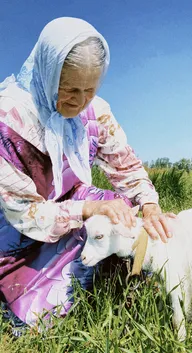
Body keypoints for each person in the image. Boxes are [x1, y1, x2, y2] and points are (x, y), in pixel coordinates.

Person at [0, 17, 173, 332]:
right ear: (48, 74)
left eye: (89, 91)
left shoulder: (96, 112)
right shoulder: (10, 119)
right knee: (31, 303)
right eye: (69, 90)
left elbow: (125, 165)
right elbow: (22, 211)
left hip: (73, 205)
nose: (79, 103)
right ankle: (29, 303)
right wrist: (87, 210)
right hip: (20, 230)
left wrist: (148, 203)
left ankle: (137, 281)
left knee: (121, 209)